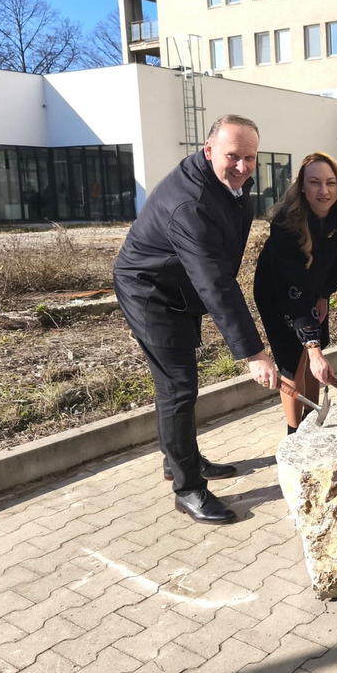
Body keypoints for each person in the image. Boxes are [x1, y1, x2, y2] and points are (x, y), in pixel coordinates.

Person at [113, 114, 280, 525]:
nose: (242, 167)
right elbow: (216, 282)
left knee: (177, 386)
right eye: (232, 157)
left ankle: (179, 459)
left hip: (181, 288)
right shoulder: (190, 203)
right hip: (151, 292)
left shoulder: (229, 182)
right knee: (178, 386)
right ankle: (187, 488)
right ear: (208, 152)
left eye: (250, 158)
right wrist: (254, 353)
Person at [254, 152, 337, 435]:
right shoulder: (286, 225)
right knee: (294, 359)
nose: (324, 191)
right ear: (302, 186)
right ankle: (294, 433)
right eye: (314, 183)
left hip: (313, 289)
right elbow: (292, 291)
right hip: (278, 293)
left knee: (315, 352)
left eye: (330, 183)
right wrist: (312, 347)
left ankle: (314, 420)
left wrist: (324, 294)